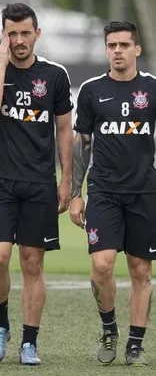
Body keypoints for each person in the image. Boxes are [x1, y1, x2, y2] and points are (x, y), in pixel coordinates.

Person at [0, 3, 73, 365]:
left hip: (39, 183)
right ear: (4, 35)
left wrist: (67, 181)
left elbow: (64, 129)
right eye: (11, 33)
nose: (19, 40)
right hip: (0, 178)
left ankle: (29, 342)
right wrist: (1, 64)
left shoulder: (55, 75)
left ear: (37, 33)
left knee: (33, 263)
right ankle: (1, 326)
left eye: (24, 33)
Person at [70, 21, 156, 366]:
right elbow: (82, 144)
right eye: (111, 45)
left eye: (123, 44)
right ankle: (109, 328)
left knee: (140, 270)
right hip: (104, 192)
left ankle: (135, 343)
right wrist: (76, 193)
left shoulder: (151, 89)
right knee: (102, 266)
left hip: (145, 192)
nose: (117, 50)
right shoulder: (91, 90)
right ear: (106, 50)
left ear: (136, 49)